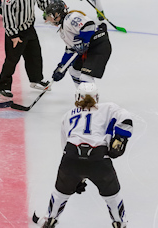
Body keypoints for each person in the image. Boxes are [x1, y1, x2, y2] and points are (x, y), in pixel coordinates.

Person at [37, 83, 133, 228]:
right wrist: (120, 137)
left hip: (71, 157)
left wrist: (78, 178)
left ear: (77, 97)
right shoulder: (107, 108)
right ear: (97, 97)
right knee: (112, 196)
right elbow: (126, 118)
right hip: (98, 158)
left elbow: (65, 146)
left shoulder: (68, 115)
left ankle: (49, 219)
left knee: (60, 194)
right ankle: (120, 223)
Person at [0, 0, 50, 99]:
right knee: (12, 61)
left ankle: (36, 79)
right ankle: (3, 87)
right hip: (15, 33)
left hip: (29, 28)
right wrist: (13, 35)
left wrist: (49, 12)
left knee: (35, 55)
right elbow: (7, 17)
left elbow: (42, 1)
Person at [44, 0, 111, 88]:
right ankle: (82, 95)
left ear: (60, 13)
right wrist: (61, 68)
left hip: (98, 45)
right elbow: (70, 50)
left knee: (85, 76)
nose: (50, 19)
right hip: (89, 48)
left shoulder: (71, 17)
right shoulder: (62, 31)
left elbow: (89, 25)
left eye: (52, 15)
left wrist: (84, 41)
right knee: (74, 71)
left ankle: (89, 99)